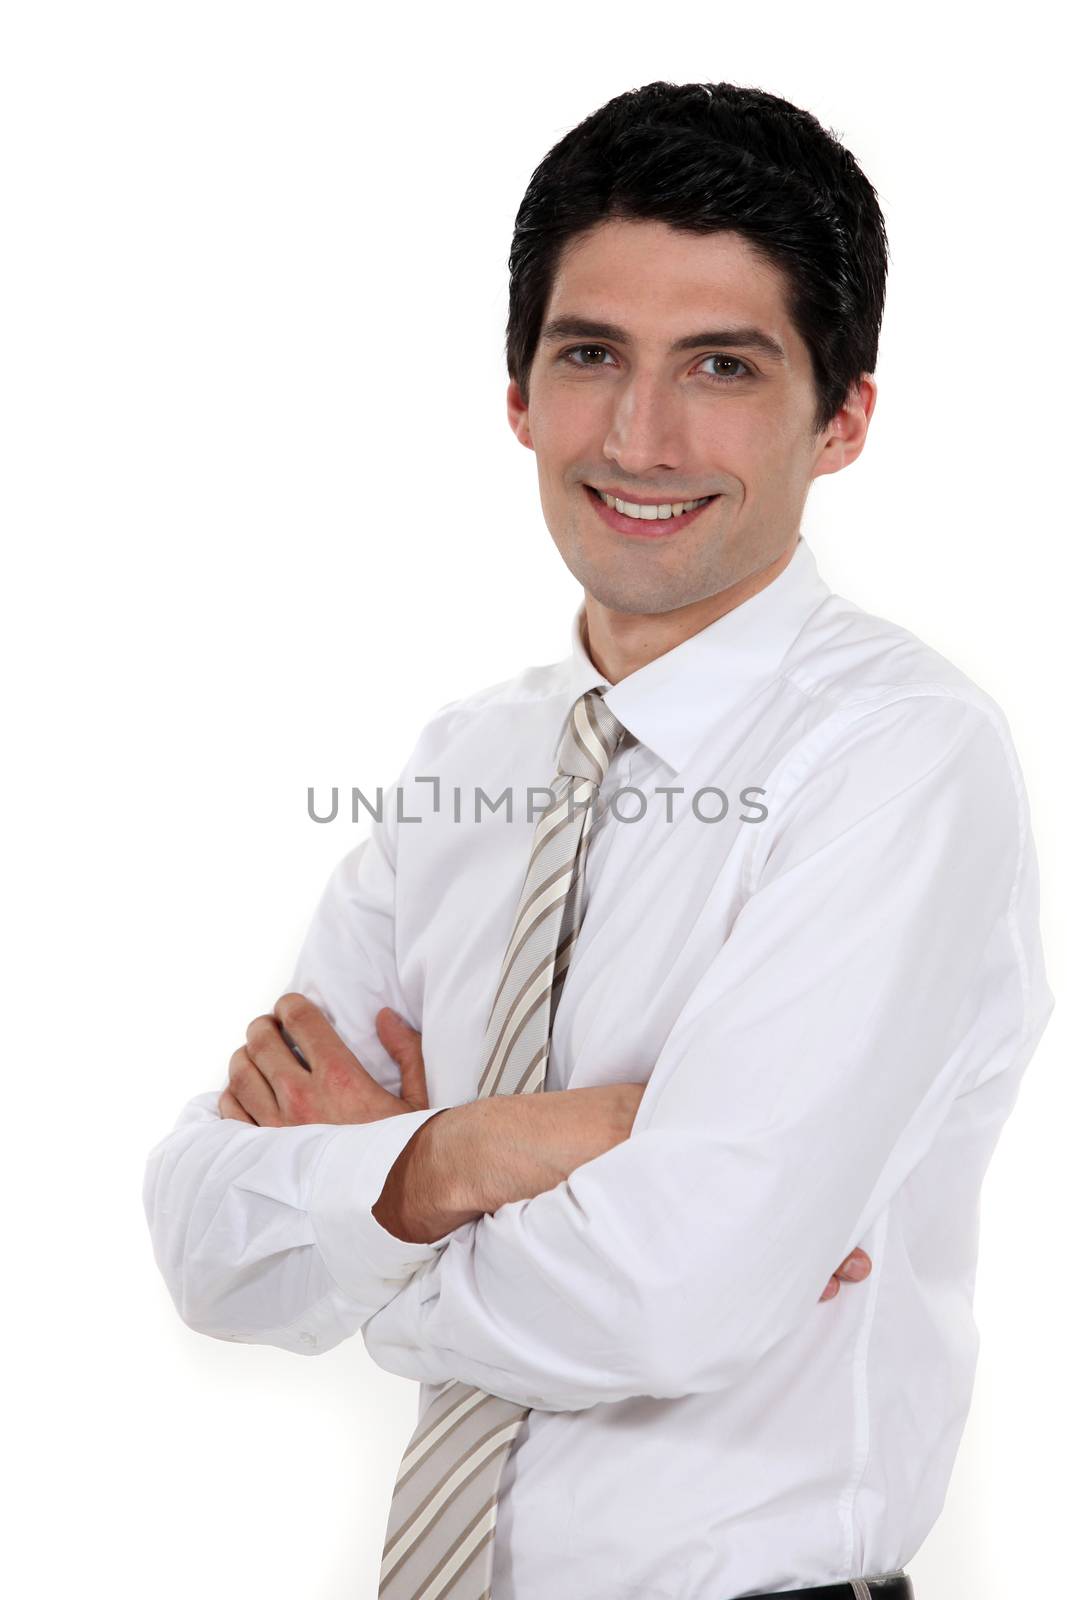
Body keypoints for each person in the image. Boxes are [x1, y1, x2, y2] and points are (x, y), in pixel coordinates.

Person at [142, 80, 1054, 1600]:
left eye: (721, 365)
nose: (639, 434)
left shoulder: (902, 758)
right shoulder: (472, 760)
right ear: (517, 395)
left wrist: (371, 1207)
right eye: (589, 357)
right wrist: (488, 1154)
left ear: (842, 420)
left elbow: (668, 1295)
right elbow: (208, 1244)